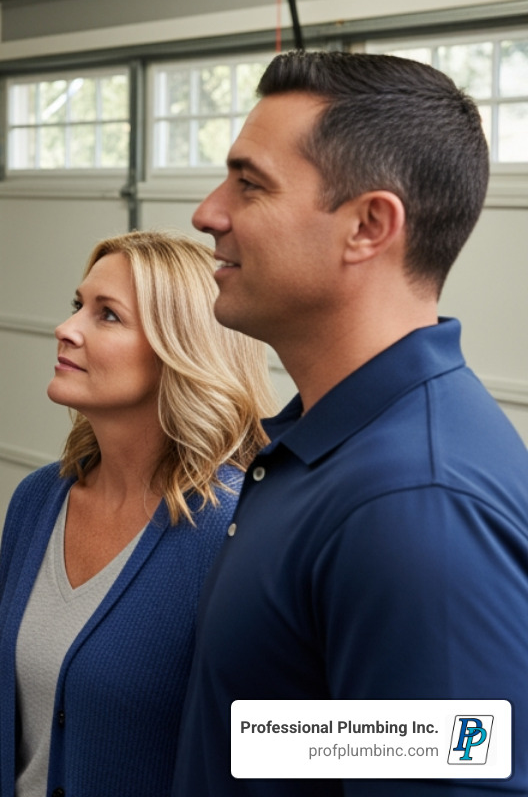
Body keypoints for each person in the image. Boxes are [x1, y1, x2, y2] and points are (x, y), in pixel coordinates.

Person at [175, 50, 528, 795]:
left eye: (250, 184)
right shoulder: (323, 448)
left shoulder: (412, 504)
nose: (209, 212)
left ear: (369, 224)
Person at [0, 230, 273, 797]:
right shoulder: (37, 502)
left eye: (107, 316)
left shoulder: (236, 532)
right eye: (78, 305)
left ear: (181, 349)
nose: (68, 328)